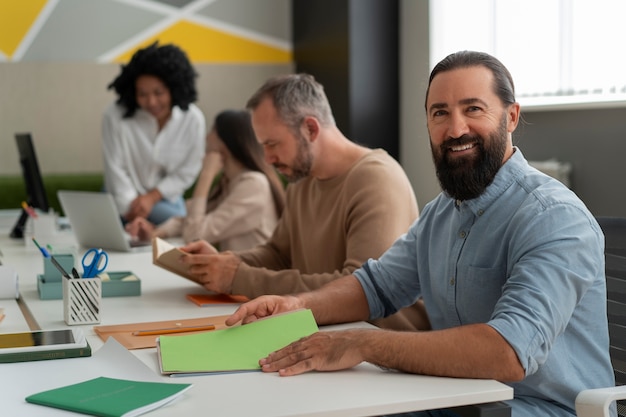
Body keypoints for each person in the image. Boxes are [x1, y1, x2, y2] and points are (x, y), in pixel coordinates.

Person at [223, 51, 615, 417]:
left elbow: (508, 351)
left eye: (473, 109)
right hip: (456, 397)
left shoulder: (554, 218)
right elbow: (376, 286)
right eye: (439, 113)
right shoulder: (442, 211)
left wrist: (362, 344)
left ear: (511, 117)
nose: (455, 128)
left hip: (538, 408)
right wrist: (298, 306)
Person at [180, 73, 427, 331]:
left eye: (272, 144)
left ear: (310, 128)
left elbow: (357, 289)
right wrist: (223, 263)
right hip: (327, 334)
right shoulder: (302, 181)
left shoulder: (377, 178)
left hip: (379, 348)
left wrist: (239, 278)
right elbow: (278, 254)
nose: (267, 159)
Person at [125, 109, 285, 251]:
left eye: (212, 131)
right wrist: (155, 233)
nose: (207, 137)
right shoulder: (231, 181)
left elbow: (195, 235)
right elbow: (190, 220)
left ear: (226, 142)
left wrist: (206, 175)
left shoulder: (253, 185)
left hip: (253, 281)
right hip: (237, 276)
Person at [102, 42, 205, 225]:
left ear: (174, 89)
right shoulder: (115, 116)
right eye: (142, 94)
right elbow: (115, 171)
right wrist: (133, 210)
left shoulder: (193, 120)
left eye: (159, 93)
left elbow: (187, 171)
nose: (151, 102)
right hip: (121, 197)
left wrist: (152, 197)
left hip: (165, 199)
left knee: (185, 231)